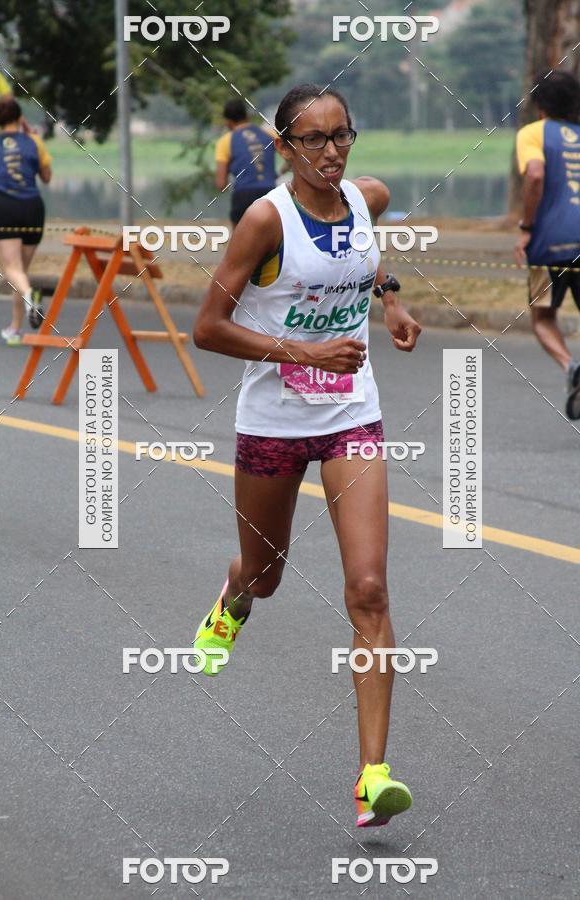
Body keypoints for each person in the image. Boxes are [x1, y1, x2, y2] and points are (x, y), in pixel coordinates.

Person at [193, 84, 421, 828]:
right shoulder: (266, 220)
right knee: (266, 575)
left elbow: (361, 261)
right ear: (284, 147)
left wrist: (388, 299)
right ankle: (231, 600)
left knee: (368, 589)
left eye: (341, 136)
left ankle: (373, 776)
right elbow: (207, 328)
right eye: (313, 140)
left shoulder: (368, 196)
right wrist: (303, 347)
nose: (331, 152)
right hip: (273, 420)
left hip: (353, 413)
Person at [515, 69, 580, 419]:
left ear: (540, 105)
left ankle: (570, 366)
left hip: (549, 243)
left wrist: (527, 227)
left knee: (542, 316)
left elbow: (536, 174)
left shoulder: (533, 133)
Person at [0, 98, 51, 345]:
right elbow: (46, 176)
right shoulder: (34, 141)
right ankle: (16, 328)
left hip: (5, 208)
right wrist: (31, 137)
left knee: (12, 269)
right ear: (19, 116)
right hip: (33, 208)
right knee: (21, 272)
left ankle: (31, 297)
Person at [214, 98, 277, 227]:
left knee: (239, 243)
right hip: (271, 194)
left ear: (228, 123)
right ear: (247, 116)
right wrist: (279, 173)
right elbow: (293, 158)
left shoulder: (225, 141)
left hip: (243, 195)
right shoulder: (270, 135)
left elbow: (221, 184)